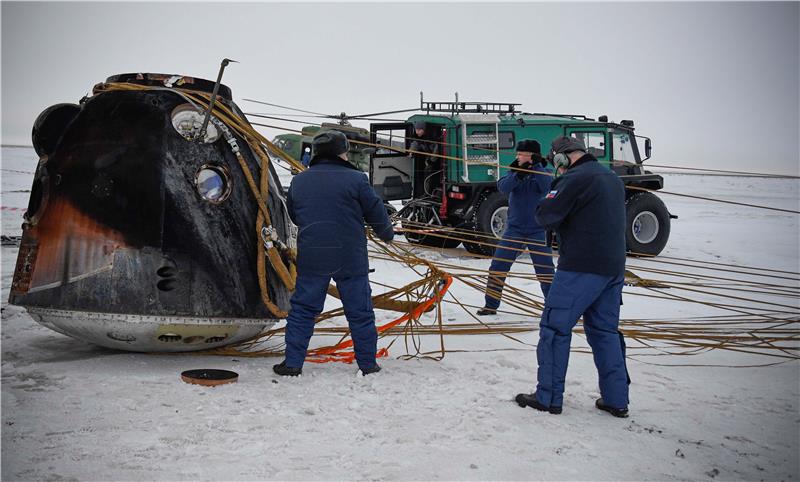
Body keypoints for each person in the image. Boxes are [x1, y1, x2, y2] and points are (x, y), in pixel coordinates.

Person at [515, 135, 631, 418]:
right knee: (604, 332)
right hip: (613, 268)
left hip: (580, 268)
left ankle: (548, 397)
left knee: (555, 329)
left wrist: (551, 190)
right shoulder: (611, 177)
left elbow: (545, 214)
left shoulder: (575, 179)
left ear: (561, 158)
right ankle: (617, 400)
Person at [273, 130, 394, 377]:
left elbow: (295, 216)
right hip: (349, 257)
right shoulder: (357, 179)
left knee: (304, 310)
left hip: (314, 255)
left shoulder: (299, 181)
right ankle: (368, 364)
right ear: (342, 152)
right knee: (360, 312)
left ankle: (293, 364)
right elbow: (376, 213)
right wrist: (387, 235)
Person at [477, 140, 555, 316]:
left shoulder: (545, 172)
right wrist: (518, 174)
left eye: (520, 154)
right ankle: (491, 305)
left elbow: (546, 185)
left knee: (546, 271)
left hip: (538, 230)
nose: (517, 157)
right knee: (498, 267)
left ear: (532, 156)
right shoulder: (513, 171)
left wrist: (535, 167)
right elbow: (503, 187)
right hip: (514, 230)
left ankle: (553, 308)